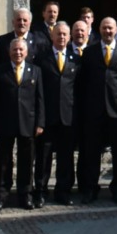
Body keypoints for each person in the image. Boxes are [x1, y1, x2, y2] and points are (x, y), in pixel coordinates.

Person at [76, 17, 117, 203]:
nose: (108, 31)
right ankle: (91, 188)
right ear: (99, 29)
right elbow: (82, 83)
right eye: (104, 28)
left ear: (116, 30)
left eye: (111, 28)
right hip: (94, 112)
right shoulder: (90, 53)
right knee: (92, 153)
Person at [0, 37, 44, 212]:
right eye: (14, 50)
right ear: (9, 52)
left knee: (26, 162)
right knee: (3, 161)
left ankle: (25, 195)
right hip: (5, 122)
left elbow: (40, 99)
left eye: (21, 50)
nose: (18, 53)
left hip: (28, 122)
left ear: (26, 52)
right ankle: (0, 196)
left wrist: (40, 123)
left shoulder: (35, 71)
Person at [35, 21, 81, 206]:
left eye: (65, 34)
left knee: (66, 158)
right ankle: (40, 191)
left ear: (69, 37)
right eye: (58, 34)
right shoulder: (41, 59)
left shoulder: (76, 60)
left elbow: (78, 91)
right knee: (43, 158)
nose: (61, 37)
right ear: (52, 36)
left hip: (68, 118)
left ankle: (63, 191)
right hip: (47, 117)